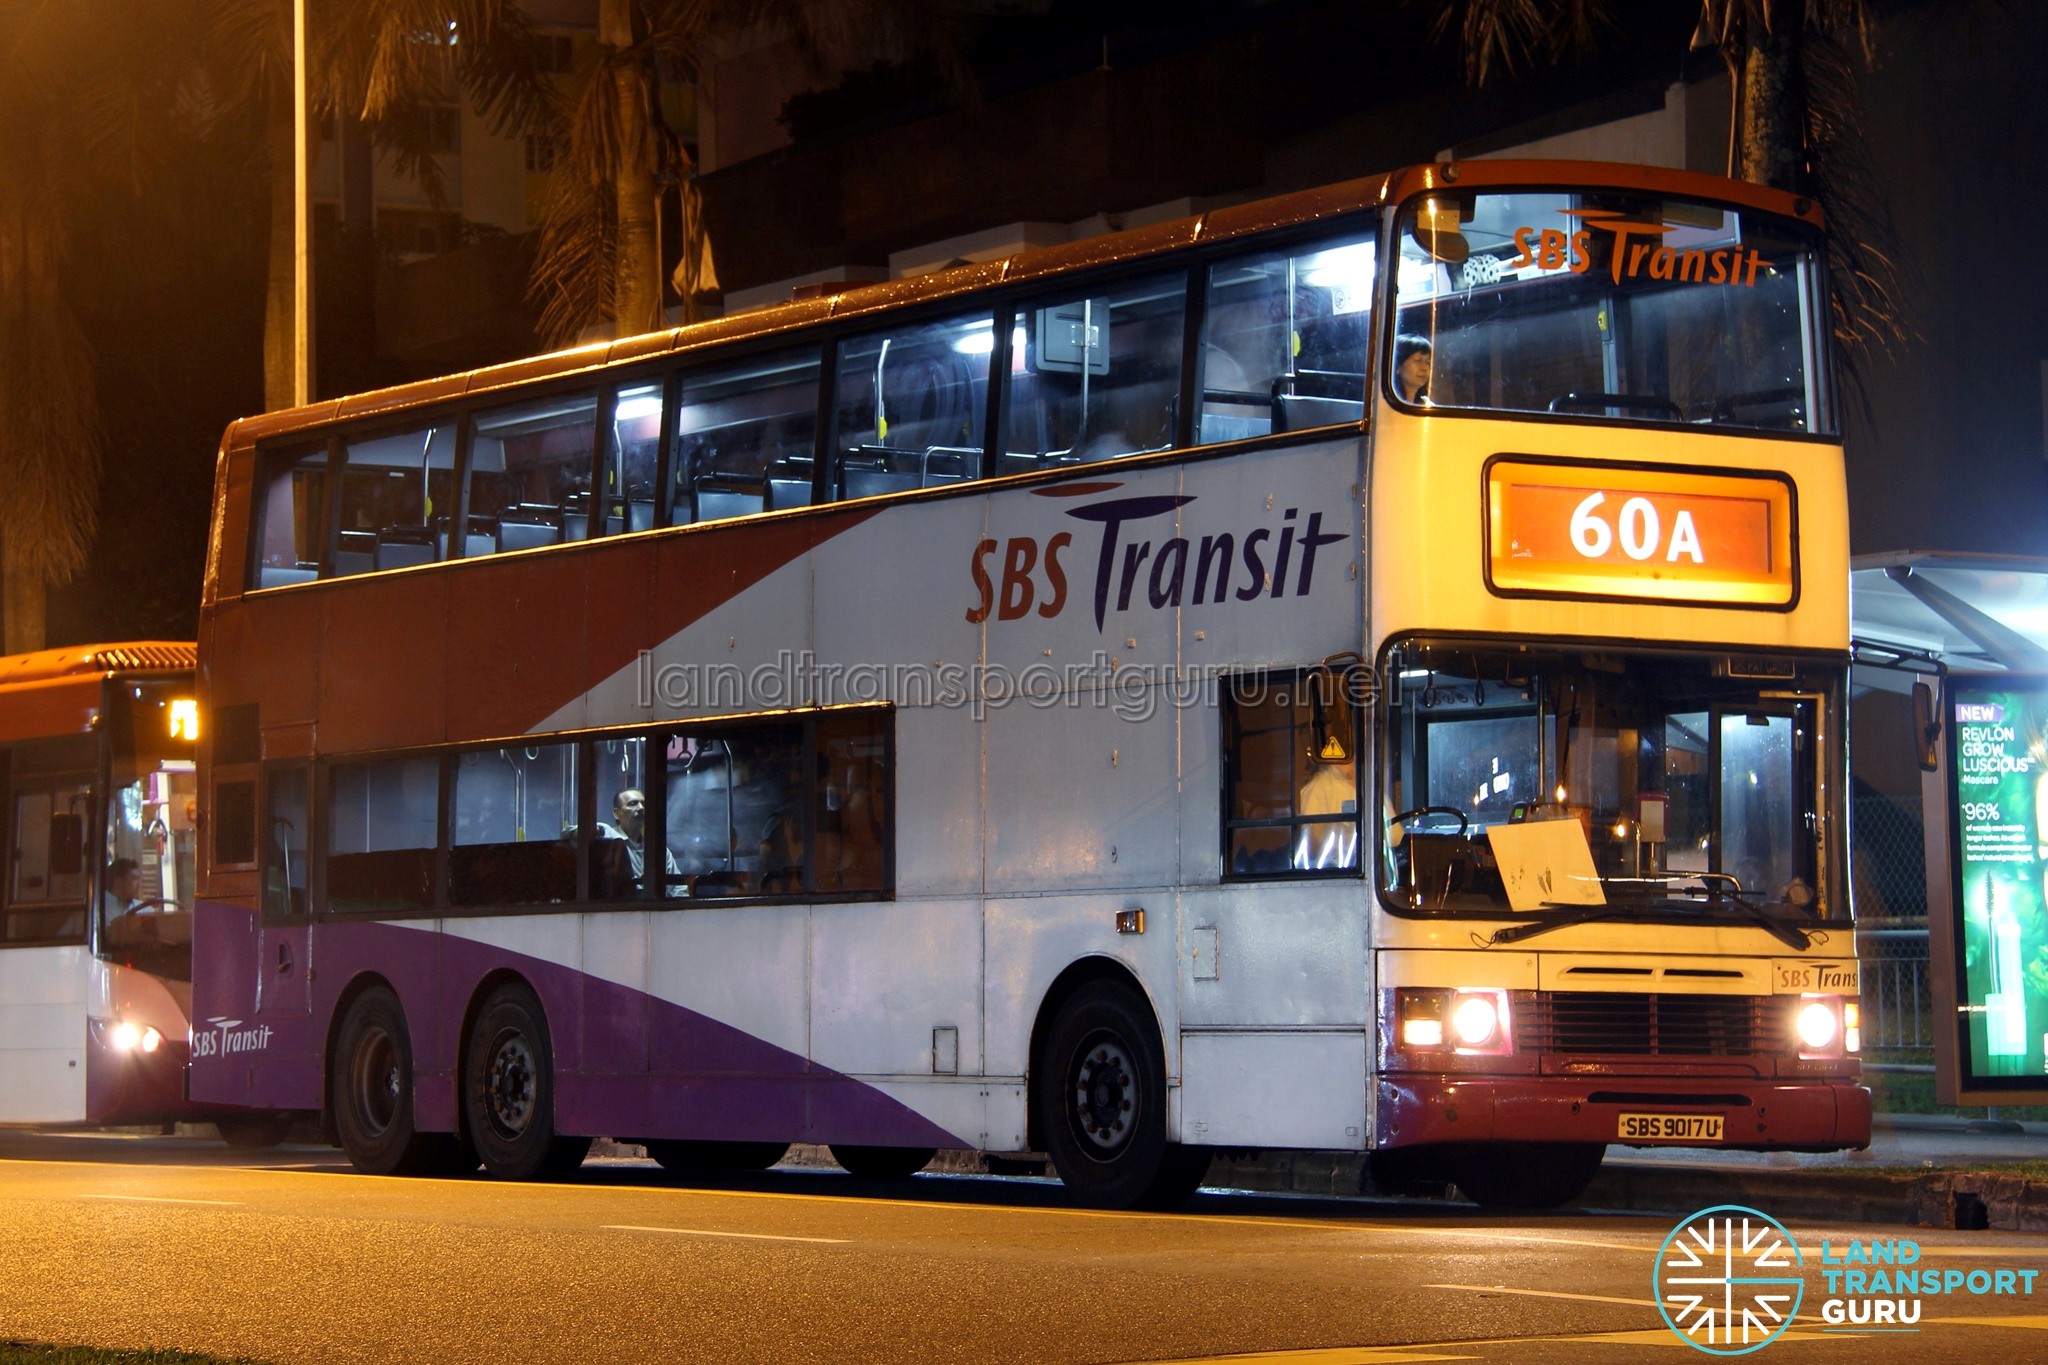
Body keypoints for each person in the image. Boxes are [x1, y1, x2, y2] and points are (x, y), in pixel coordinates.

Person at [595, 789, 683, 896]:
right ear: (616, 813)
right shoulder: (609, 835)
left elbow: (678, 888)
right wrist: (593, 830)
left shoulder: (658, 850)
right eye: (633, 804)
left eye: (644, 804)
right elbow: (577, 830)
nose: (641, 808)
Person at [1393, 334, 1432, 404]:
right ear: (1398, 366)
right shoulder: (1385, 404)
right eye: (1418, 360)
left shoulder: (1426, 404)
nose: (1425, 368)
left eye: (1427, 362)